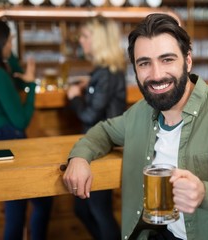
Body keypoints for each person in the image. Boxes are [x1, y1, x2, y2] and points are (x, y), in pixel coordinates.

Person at [63, 13, 208, 240]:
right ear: (135, 69)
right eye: (144, 63)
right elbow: (103, 131)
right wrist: (80, 158)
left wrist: (205, 194)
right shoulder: (142, 112)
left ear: (188, 60)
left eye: (167, 59)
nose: (156, 74)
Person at [0, 18, 53, 240]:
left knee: (20, 208)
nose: (11, 45)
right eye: (9, 41)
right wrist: (32, 84)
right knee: (24, 210)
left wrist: (19, 71)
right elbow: (21, 120)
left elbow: (16, 77)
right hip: (10, 142)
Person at [66, 15, 125, 240]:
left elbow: (90, 114)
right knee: (85, 209)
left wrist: (74, 97)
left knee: (98, 210)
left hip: (104, 148)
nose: (80, 40)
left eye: (85, 36)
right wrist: (89, 84)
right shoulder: (104, 71)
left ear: (99, 40)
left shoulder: (106, 73)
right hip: (98, 147)